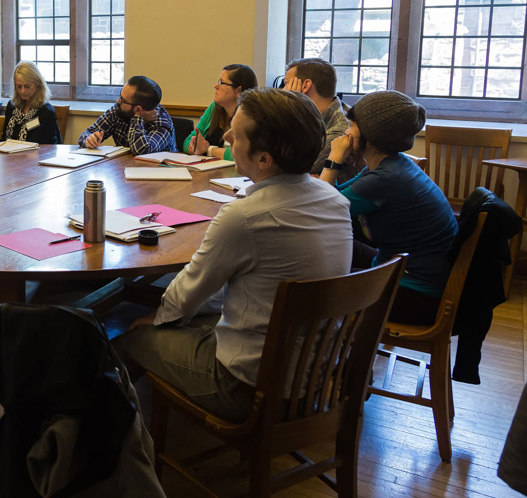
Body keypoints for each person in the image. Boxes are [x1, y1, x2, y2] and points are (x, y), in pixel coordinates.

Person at [114, 88, 352, 422]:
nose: (226, 136)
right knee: (186, 318)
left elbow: (190, 290)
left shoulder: (246, 217)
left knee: (131, 337)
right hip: (307, 372)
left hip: (247, 386)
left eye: (236, 136)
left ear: (264, 159)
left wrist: (158, 318)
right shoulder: (334, 200)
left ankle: (120, 443)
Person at [320, 90, 458, 325]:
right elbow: (331, 197)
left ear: (370, 136)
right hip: (406, 272)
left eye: (351, 125)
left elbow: (318, 208)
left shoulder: (384, 179)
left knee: (313, 288)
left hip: (413, 295)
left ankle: (333, 356)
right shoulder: (393, 165)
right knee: (333, 249)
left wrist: (334, 160)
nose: (346, 132)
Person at [283, 57, 362, 182]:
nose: (283, 90)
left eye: (287, 83)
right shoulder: (319, 115)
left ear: (305, 85)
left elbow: (287, 166)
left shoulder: (340, 130)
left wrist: (290, 109)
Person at [78, 75, 175, 154]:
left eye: (122, 100)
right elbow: (87, 133)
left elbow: (141, 150)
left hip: (156, 173)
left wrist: (137, 118)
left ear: (137, 109)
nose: (118, 101)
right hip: (123, 170)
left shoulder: (162, 123)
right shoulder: (119, 110)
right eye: (120, 95)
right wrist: (89, 140)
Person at [182, 64, 258, 160]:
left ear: (238, 90)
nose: (216, 86)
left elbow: (243, 154)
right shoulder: (214, 107)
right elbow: (187, 142)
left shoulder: (250, 114)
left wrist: (209, 150)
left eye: (221, 83)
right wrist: (197, 149)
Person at [3, 60, 62, 144]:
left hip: (37, 155)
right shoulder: (12, 106)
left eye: (27, 86)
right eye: (19, 86)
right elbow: (4, 139)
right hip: (10, 154)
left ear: (38, 84)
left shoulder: (46, 112)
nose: (23, 91)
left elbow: (41, 146)